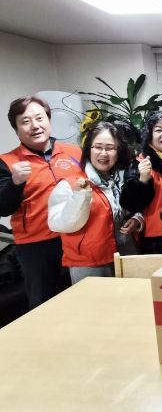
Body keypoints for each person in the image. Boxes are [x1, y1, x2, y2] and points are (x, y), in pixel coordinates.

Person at [0, 96, 82, 308]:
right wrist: (15, 182)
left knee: (81, 297)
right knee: (43, 303)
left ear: (48, 120)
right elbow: (3, 208)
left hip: (77, 237)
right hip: (36, 244)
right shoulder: (7, 162)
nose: (35, 126)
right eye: (25, 121)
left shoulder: (74, 152)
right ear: (16, 129)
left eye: (39, 118)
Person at [47, 122, 143, 284]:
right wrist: (80, 196)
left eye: (110, 148)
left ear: (118, 151)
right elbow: (59, 224)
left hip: (125, 254)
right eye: (98, 147)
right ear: (88, 150)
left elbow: (134, 206)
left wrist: (137, 218)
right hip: (89, 262)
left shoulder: (124, 179)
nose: (104, 153)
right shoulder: (71, 184)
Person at [120, 111, 162, 254]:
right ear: (150, 135)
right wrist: (143, 181)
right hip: (158, 239)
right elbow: (129, 204)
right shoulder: (140, 163)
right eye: (158, 130)